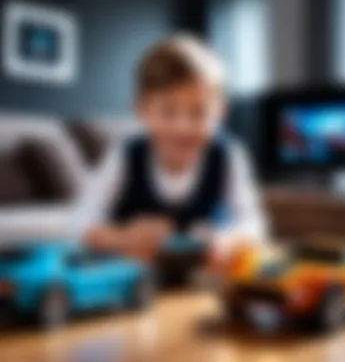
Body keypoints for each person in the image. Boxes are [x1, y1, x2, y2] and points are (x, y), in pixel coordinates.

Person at [71, 35, 268, 261]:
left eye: (198, 112)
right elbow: (79, 222)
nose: (182, 127)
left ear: (220, 111)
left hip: (201, 277)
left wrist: (227, 239)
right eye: (168, 111)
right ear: (142, 109)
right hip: (137, 272)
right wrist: (122, 237)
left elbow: (254, 224)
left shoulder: (228, 154)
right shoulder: (126, 154)